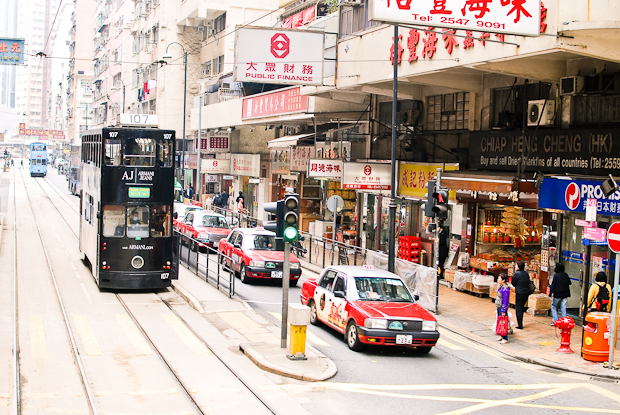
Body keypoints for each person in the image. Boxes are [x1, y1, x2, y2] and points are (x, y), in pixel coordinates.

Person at [511, 261, 531, 329]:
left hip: (519, 293)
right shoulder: (526, 274)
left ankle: (520, 324)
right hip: (526, 293)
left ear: (518, 266)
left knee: (518, 308)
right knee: (522, 307)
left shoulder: (516, 274)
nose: (516, 267)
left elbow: (513, 283)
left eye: (516, 265)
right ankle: (520, 321)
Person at [496, 273, 510, 344]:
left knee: (504, 322)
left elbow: (505, 301)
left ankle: (505, 337)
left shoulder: (505, 289)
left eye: (499, 278)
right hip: (499, 306)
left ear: (503, 280)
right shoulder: (500, 287)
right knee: (500, 321)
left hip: (502, 307)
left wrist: (503, 310)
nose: (498, 279)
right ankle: (501, 335)